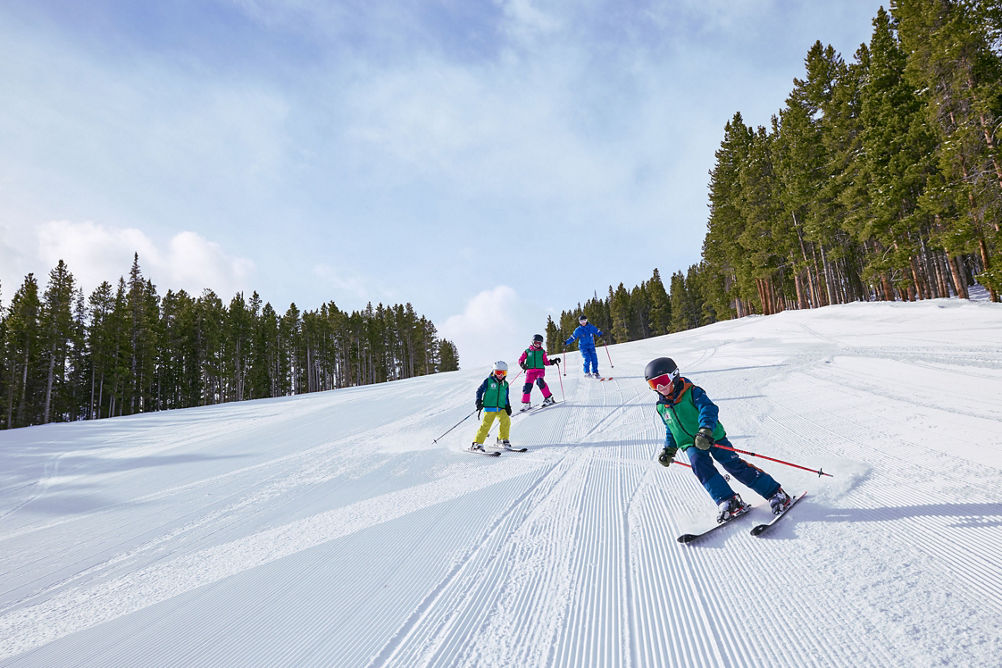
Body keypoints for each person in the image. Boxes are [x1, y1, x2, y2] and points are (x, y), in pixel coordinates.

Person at [644, 356, 791, 522]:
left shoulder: (692, 392)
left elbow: (709, 409)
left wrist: (705, 430)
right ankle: (728, 500)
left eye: (662, 381)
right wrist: (669, 449)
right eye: (654, 384)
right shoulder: (662, 406)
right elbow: (671, 429)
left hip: (712, 437)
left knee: (733, 465)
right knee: (701, 469)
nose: (660, 388)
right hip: (690, 444)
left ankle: (774, 492)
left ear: (674, 375)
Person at [471, 360, 515, 452]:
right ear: (494, 372)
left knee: (506, 420)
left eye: (503, 373)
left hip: (501, 408)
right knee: (486, 425)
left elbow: (506, 397)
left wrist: (508, 406)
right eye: (498, 372)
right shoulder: (488, 381)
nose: (501, 375)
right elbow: (479, 391)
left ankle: (502, 439)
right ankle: (477, 443)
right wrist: (478, 401)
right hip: (489, 407)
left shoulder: (505, 384)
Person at [517, 334, 561, 411]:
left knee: (540, 382)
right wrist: (522, 364)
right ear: (532, 342)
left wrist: (553, 361)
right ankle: (526, 403)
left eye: (539, 343)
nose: (537, 344)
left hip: (539, 371)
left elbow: (546, 362)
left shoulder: (542, 352)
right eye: (536, 342)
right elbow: (521, 359)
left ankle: (549, 398)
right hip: (530, 372)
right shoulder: (527, 351)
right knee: (527, 387)